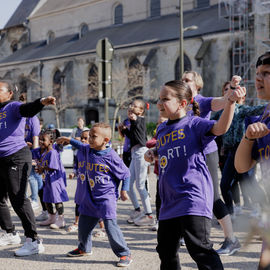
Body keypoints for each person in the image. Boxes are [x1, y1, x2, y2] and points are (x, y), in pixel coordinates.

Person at [145, 80, 245, 270]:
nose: (159, 103)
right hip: (168, 203)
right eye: (159, 99)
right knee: (166, 252)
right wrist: (153, 153)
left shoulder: (194, 124)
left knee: (200, 251)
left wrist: (230, 103)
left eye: (165, 99)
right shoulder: (162, 129)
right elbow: (166, 148)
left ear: (183, 104)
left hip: (192, 199)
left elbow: (220, 128)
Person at [57, 122, 132, 267]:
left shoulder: (111, 156)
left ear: (105, 140)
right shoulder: (88, 150)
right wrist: (68, 140)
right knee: (83, 227)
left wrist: (124, 190)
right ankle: (84, 248)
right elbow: (79, 145)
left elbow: (126, 173)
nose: (89, 139)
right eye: (89, 136)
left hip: (106, 198)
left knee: (110, 227)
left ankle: (125, 253)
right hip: (90, 197)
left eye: (93, 136)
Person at [182, 71, 241, 255]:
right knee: (189, 194)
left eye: (187, 80)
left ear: (197, 84)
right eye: (182, 79)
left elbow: (223, 102)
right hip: (189, 155)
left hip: (206, 153)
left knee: (213, 196)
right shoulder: (182, 104)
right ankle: (191, 233)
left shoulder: (203, 100)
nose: (183, 82)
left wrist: (231, 91)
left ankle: (232, 239)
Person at [0, 80, 55, 256]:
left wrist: (41, 102)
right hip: (1, 159)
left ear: (9, 94)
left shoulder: (13, 106)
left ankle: (34, 241)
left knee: (18, 198)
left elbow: (27, 109)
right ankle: (10, 233)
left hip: (16, 157)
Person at [235, 51, 270, 270]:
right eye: (257, 73)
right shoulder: (264, 116)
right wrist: (248, 137)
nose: (257, 78)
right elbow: (242, 166)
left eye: (266, 73)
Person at [119, 100, 154, 226]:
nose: (132, 107)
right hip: (135, 154)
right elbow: (132, 136)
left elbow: (140, 137)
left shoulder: (141, 120)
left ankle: (149, 215)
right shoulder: (133, 122)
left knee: (140, 186)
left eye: (135, 106)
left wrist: (134, 120)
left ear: (141, 111)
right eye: (131, 105)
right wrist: (124, 129)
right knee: (128, 185)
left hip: (141, 153)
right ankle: (138, 210)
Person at [33, 129, 69, 229]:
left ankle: (61, 220)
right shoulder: (44, 153)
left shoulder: (52, 152)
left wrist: (42, 168)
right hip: (47, 180)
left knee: (57, 199)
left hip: (55, 180)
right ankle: (51, 218)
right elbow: (41, 165)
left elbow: (53, 166)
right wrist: (39, 168)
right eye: (39, 139)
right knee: (47, 199)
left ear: (51, 142)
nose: (40, 141)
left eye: (43, 140)